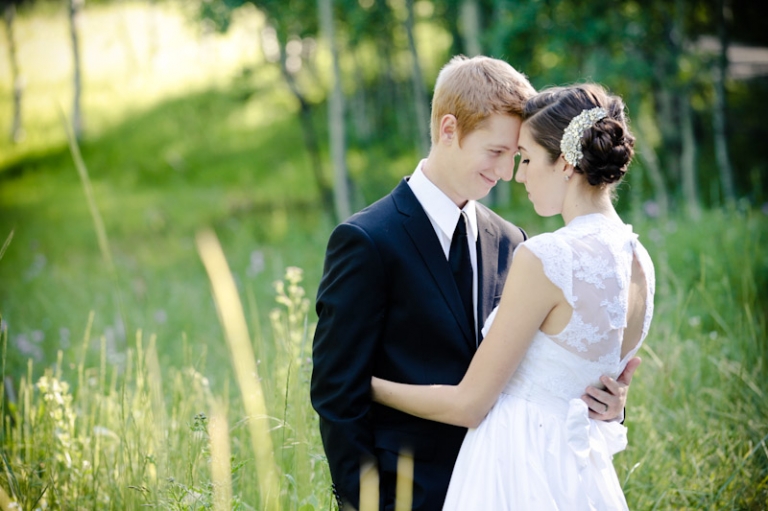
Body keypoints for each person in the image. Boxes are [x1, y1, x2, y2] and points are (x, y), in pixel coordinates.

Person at [311, 57, 638, 511]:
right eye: (496, 152)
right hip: (410, 494)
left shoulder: (513, 241)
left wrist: (606, 402)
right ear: (449, 129)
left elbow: (538, 365)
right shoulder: (367, 241)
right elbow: (336, 393)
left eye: (516, 155)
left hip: (506, 488)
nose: (506, 172)